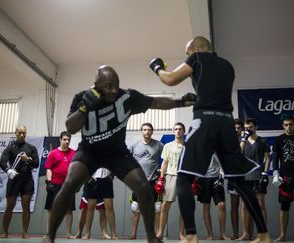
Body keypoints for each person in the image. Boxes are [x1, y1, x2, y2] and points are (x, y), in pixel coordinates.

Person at [43, 65, 194, 243]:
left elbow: (156, 103)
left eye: (116, 84)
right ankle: (49, 236)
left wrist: (180, 102)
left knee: (144, 187)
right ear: (96, 85)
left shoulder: (127, 97)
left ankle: (152, 237)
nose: (114, 90)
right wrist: (84, 108)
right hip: (90, 151)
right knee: (68, 185)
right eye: (108, 86)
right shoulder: (82, 98)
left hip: (117, 152)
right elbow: (70, 127)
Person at [149, 36, 271, 243]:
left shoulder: (197, 58)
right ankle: (264, 234)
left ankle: (190, 235)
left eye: (188, 53)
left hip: (205, 121)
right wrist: (198, 96)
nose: (188, 57)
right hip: (226, 124)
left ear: (197, 49)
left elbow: (169, 79)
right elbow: (212, 90)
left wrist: (157, 67)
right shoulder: (228, 66)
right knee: (239, 181)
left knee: (184, 178)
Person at [0, 124, 39, 238]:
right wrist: (8, 171)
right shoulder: (10, 147)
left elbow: (36, 164)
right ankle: (5, 232)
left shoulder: (31, 148)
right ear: (15, 133)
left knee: (26, 206)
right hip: (14, 179)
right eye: (20, 133)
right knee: (9, 206)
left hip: (27, 180)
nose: (22, 135)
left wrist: (29, 159)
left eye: (24, 133)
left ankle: (24, 232)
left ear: (26, 134)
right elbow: (2, 162)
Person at [128, 123, 164, 239]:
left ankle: (158, 234)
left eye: (149, 130)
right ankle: (133, 233)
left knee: (157, 207)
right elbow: (126, 159)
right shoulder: (134, 145)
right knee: (135, 207)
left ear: (152, 132)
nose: (147, 132)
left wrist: (161, 175)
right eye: (144, 130)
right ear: (141, 131)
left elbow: (166, 159)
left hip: (153, 180)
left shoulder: (158, 145)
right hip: (139, 181)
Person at [238, 118, 270, 240]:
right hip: (245, 177)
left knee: (260, 204)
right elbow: (239, 155)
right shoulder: (242, 141)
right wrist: (244, 139)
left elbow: (267, 158)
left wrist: (265, 173)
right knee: (245, 206)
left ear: (255, 127)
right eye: (246, 128)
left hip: (258, 176)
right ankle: (246, 233)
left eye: (250, 127)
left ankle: (262, 233)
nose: (248, 129)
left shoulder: (263, 141)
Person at [156, 122, 186, 240]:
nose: (178, 131)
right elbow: (165, 163)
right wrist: (161, 178)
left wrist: (193, 179)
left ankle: (181, 234)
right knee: (165, 205)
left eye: (180, 129)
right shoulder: (168, 145)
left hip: (184, 178)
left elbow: (191, 163)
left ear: (183, 131)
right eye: (176, 129)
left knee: (184, 206)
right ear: (173, 131)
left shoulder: (188, 146)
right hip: (171, 176)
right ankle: (160, 233)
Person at [44, 131, 75, 239]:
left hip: (68, 185)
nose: (67, 142)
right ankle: (48, 233)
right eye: (65, 139)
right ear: (60, 140)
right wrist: (48, 182)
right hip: (55, 184)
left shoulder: (74, 153)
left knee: (69, 209)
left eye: (68, 140)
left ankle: (68, 234)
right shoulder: (53, 153)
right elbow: (48, 168)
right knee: (51, 209)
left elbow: (76, 169)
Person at [75, 168, 116, 239]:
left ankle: (112, 233)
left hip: (106, 179)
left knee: (108, 207)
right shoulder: (89, 156)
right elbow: (84, 164)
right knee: (89, 208)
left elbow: (115, 163)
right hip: (92, 179)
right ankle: (86, 233)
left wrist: (112, 174)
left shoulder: (111, 156)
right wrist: (87, 177)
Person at [197, 154, 229, 240]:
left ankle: (223, 234)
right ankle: (210, 234)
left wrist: (222, 173)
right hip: (203, 178)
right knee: (206, 206)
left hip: (217, 177)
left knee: (221, 205)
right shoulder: (198, 144)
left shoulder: (216, 143)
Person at [227, 119, 243, 239]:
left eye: (238, 128)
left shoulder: (247, 141)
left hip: (247, 177)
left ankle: (249, 233)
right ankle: (236, 234)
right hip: (233, 177)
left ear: (242, 129)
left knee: (248, 206)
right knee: (234, 206)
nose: (236, 130)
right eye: (234, 128)